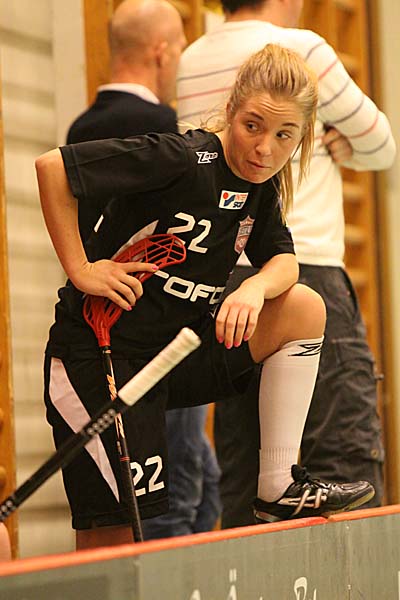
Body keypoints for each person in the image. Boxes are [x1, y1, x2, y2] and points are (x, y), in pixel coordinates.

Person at [36, 44, 374, 551]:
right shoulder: (181, 157)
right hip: (100, 356)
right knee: (116, 539)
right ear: (232, 110)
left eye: (284, 135)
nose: (264, 149)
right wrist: (81, 269)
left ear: (302, 137)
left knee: (303, 307)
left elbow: (285, 262)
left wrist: (254, 288)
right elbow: (53, 169)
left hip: (172, 357)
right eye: (253, 126)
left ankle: (278, 485)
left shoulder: (259, 187)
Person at [177, 0, 396, 527]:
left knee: (247, 470)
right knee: (342, 456)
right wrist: (339, 145)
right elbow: (381, 145)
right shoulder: (303, 50)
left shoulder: (191, 58)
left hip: (225, 278)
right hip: (304, 270)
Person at [66, 0, 221, 540]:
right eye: (179, 47)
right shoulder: (159, 127)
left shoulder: (83, 126)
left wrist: (80, 268)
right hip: (153, 324)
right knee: (181, 489)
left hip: (105, 329)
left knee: (193, 481)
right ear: (161, 52)